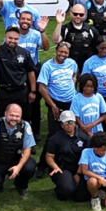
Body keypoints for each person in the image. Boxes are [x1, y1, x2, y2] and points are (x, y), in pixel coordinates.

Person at [37, 42, 79, 174]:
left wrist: (73, 81)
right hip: (56, 103)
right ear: (56, 51)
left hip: (71, 103)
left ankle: (64, 161)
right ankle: (42, 164)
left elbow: (75, 72)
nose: (63, 54)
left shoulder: (72, 63)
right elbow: (41, 88)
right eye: (61, 51)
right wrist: (53, 106)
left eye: (66, 52)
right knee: (54, 135)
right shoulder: (47, 66)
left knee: (71, 132)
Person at [0, 27, 36, 119]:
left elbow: (30, 72)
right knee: (2, 118)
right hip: (4, 91)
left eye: (16, 39)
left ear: (19, 39)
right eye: (10, 38)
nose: (13, 41)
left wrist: (33, 91)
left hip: (21, 91)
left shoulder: (24, 53)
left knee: (24, 118)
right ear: (5, 37)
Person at [45, 111, 91, 202]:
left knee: (81, 197)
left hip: (79, 168)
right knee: (68, 189)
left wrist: (78, 174)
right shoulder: (55, 139)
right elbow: (49, 156)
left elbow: (86, 157)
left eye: (71, 122)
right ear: (61, 125)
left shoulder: (84, 137)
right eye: (66, 123)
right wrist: (55, 167)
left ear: (75, 123)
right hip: (62, 168)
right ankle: (60, 191)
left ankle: (74, 187)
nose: (69, 125)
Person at [18, 11, 48, 139]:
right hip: (19, 72)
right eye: (23, 19)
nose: (25, 21)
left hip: (34, 70)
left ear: (31, 22)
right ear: (19, 20)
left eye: (28, 19)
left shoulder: (35, 34)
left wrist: (42, 31)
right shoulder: (14, 35)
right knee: (22, 101)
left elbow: (46, 47)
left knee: (35, 101)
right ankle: (21, 129)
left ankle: (36, 131)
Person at [52, 3, 100, 72]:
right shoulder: (65, 28)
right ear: (71, 14)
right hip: (69, 66)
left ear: (85, 15)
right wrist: (59, 23)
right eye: (75, 14)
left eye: (81, 15)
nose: (78, 16)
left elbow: (99, 46)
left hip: (87, 66)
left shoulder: (91, 30)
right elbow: (55, 40)